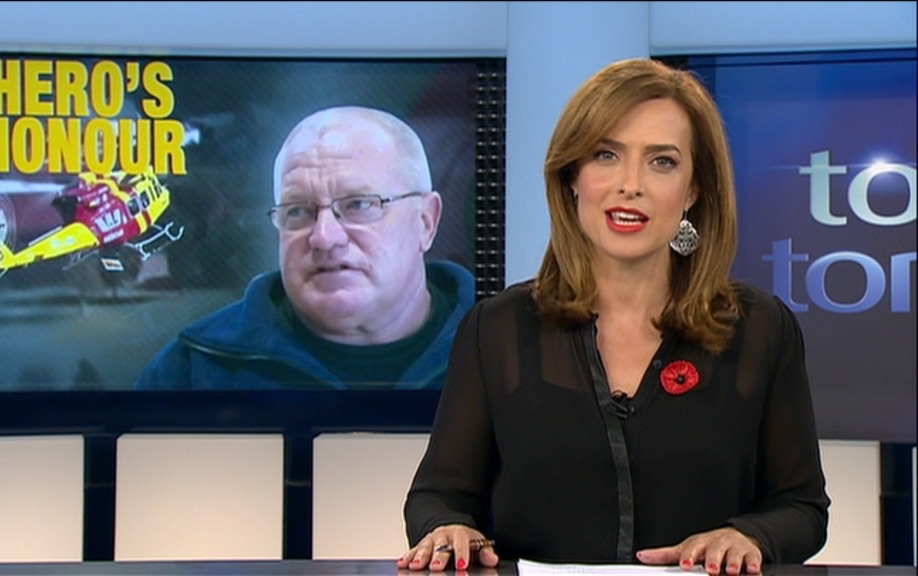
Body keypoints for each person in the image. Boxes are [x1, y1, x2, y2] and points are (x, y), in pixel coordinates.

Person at [398, 58, 829, 574]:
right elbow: (438, 496)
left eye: (662, 162)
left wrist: (749, 536)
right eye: (606, 155)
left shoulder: (759, 329)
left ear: (694, 190)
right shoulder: (498, 329)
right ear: (572, 177)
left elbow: (802, 507)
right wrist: (447, 527)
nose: (631, 184)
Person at [134, 105, 475, 390]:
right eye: (297, 211)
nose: (324, 237)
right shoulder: (190, 371)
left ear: (426, 222)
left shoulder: (499, 354)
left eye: (358, 204)